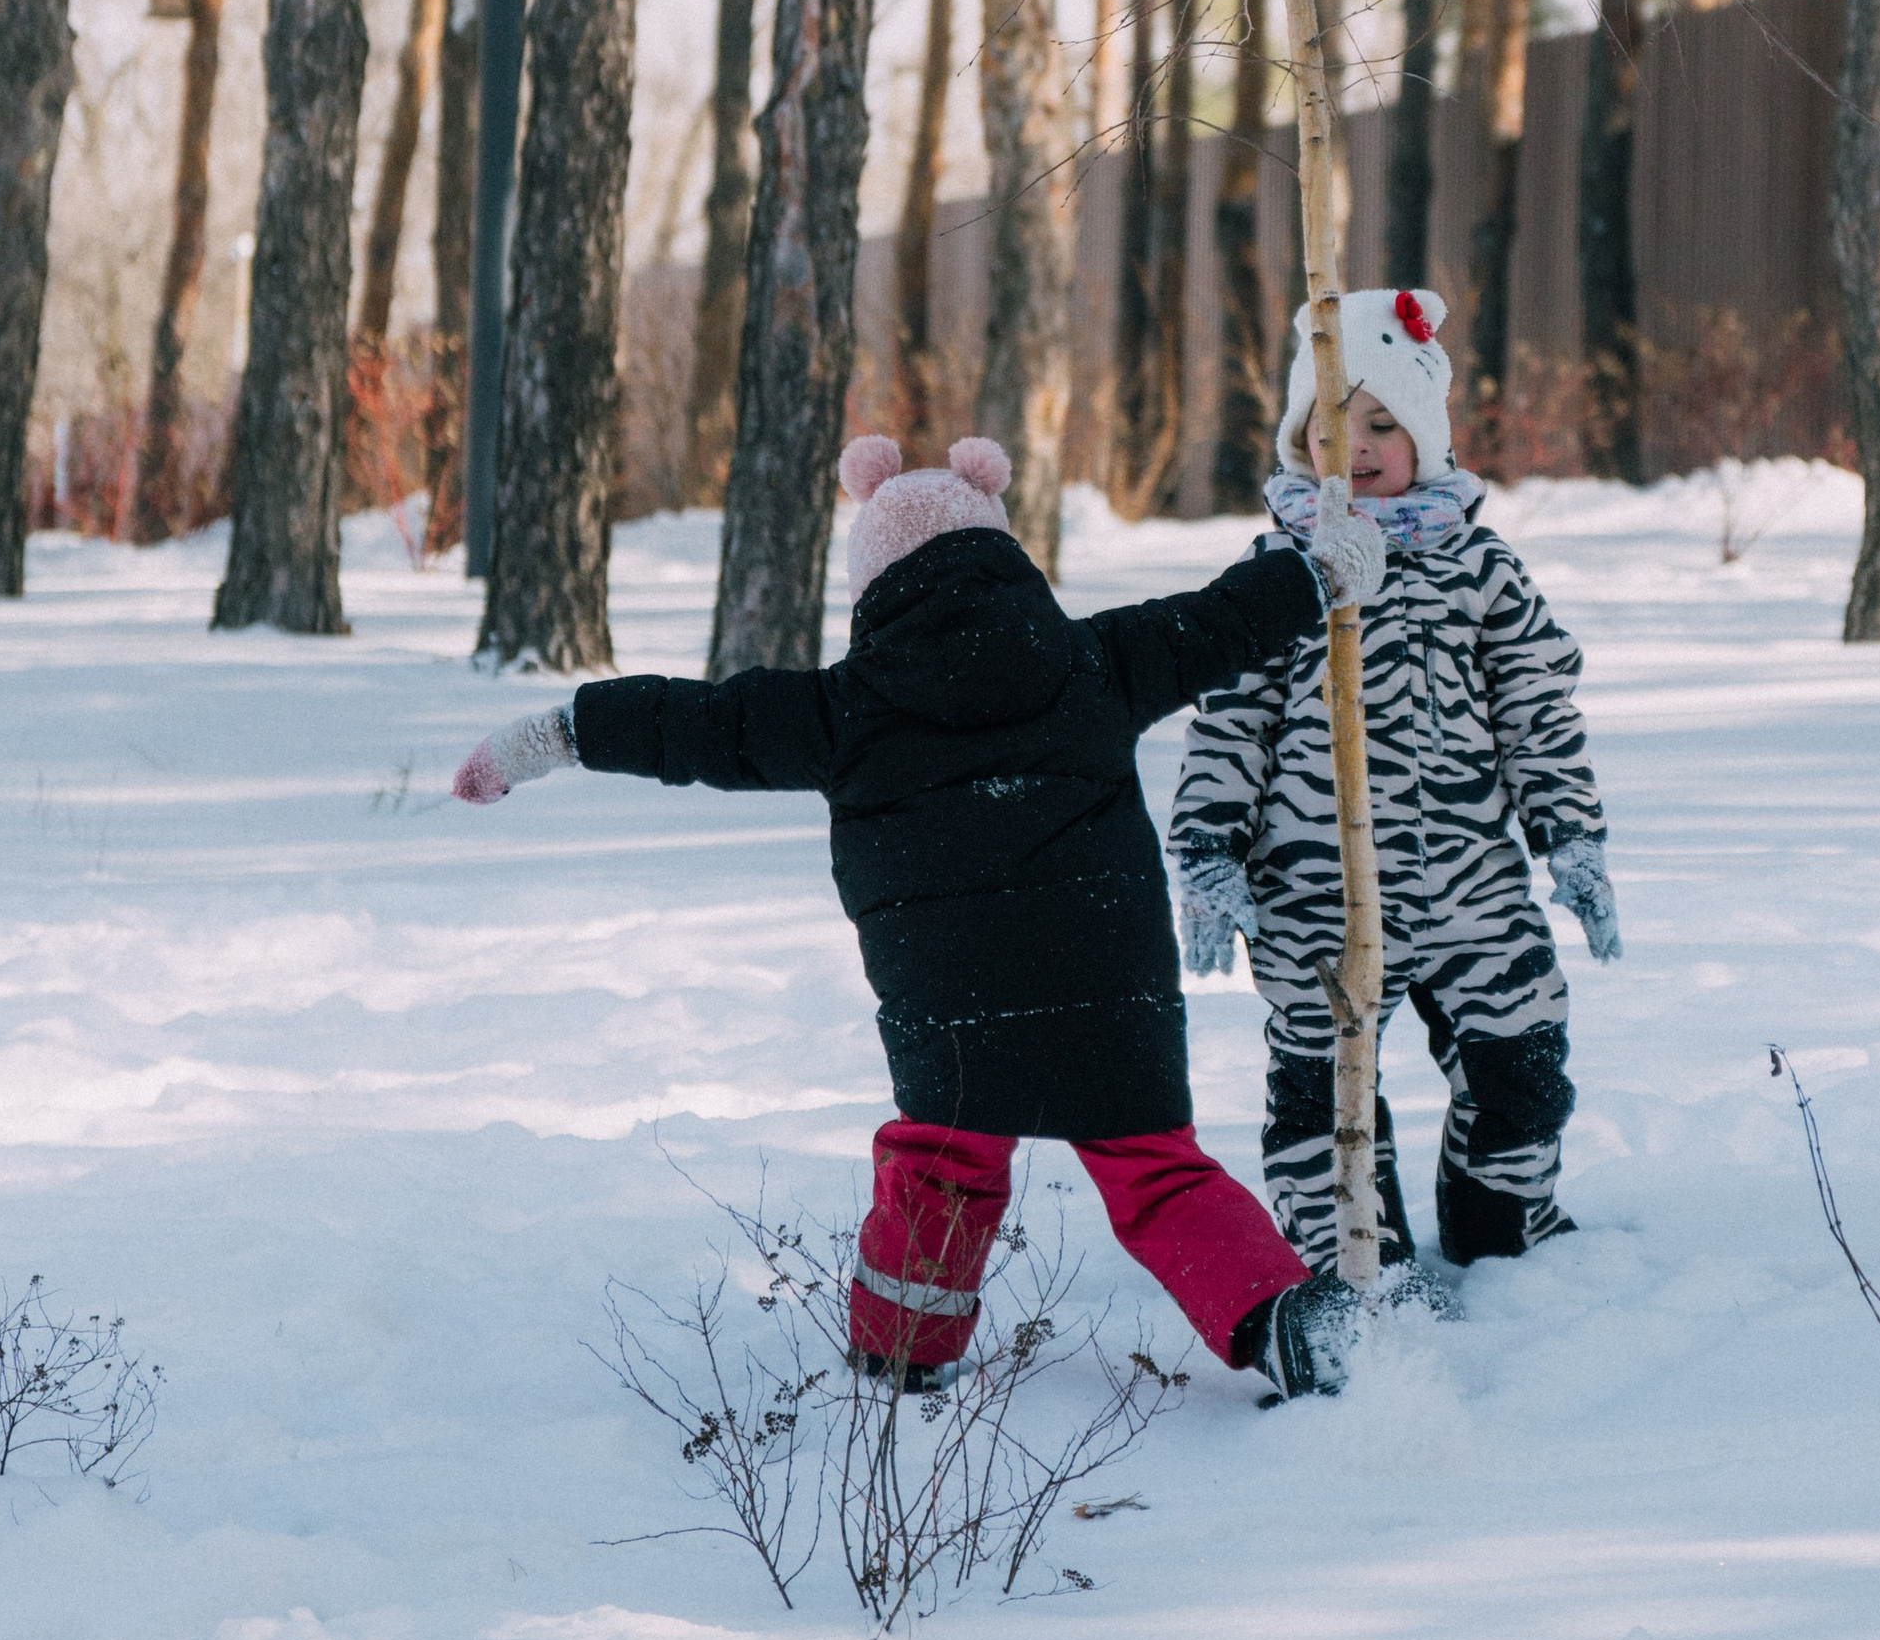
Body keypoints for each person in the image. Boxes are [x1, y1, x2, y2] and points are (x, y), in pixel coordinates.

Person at [453, 432, 1390, 1398]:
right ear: (1002, 546)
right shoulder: (1097, 660)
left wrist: (553, 735)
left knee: (943, 1162)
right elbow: (1220, 622)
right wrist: (1319, 572)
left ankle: (901, 1352)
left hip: (955, 995)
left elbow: (693, 722)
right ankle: (1281, 1322)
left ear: (874, 580)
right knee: (1156, 1170)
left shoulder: (842, 709)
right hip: (1107, 976)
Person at [1168, 287, 1620, 1279]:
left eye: (1383, 425)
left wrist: (1570, 834)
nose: (1358, 449)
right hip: (1314, 890)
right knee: (1328, 1091)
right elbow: (1228, 721)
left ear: (1427, 437)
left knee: (1522, 1057)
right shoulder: (1280, 571)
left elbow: (1537, 711)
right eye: (1332, 430)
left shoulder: (1482, 570)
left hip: (1473, 885)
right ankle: (1350, 1262)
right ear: (1303, 447)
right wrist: (1205, 847)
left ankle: (1503, 1229)